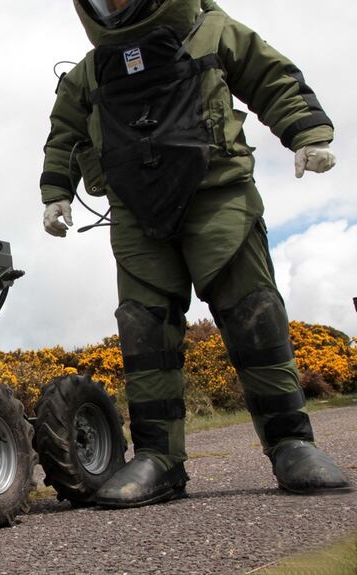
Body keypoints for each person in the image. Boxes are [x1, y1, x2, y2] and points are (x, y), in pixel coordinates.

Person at [39, 0, 350, 508]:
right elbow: (65, 135)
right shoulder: (89, 74)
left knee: (253, 314)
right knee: (144, 331)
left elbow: (272, 77)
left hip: (219, 196)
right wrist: (55, 193)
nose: (115, 5)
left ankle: (293, 443)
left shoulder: (214, 33)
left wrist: (306, 134)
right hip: (136, 213)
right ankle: (158, 458)